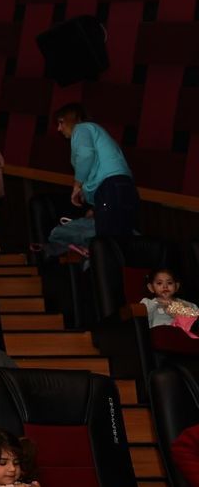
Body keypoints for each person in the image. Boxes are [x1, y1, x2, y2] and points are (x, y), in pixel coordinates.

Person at [55, 103, 138, 238]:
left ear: (72, 119)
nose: (59, 128)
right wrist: (95, 208)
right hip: (124, 188)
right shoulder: (96, 132)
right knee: (119, 240)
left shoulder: (81, 128)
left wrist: (77, 185)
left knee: (106, 241)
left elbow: (86, 155)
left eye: (61, 122)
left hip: (111, 187)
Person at [141, 268, 199, 338]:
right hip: (160, 336)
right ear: (151, 287)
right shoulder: (148, 303)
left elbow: (195, 315)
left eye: (169, 283)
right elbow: (141, 319)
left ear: (176, 286)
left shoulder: (184, 303)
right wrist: (157, 303)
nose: (165, 286)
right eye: (159, 283)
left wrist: (178, 308)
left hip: (182, 336)